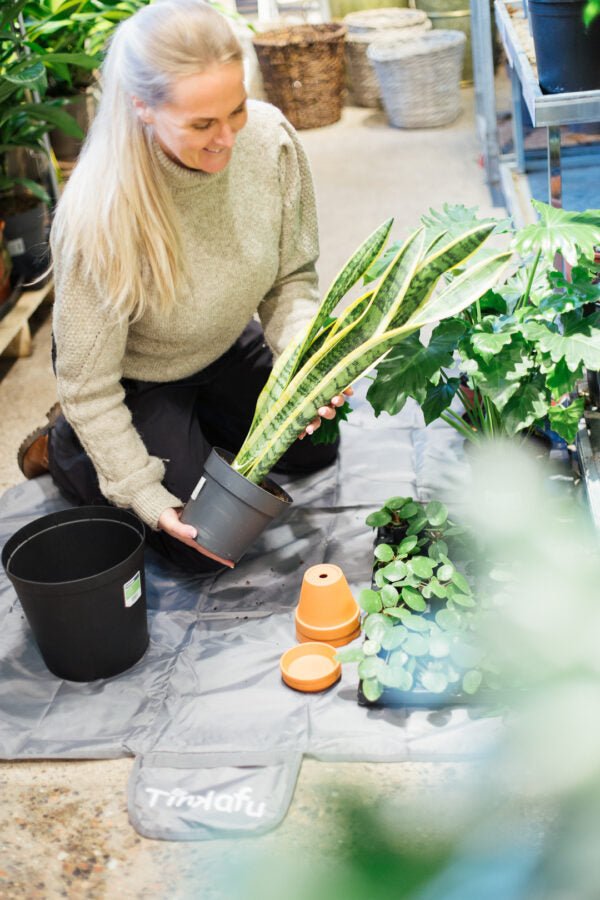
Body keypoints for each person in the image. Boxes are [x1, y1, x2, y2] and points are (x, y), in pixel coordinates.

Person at [18, 0, 349, 573]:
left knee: (316, 447)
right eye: (201, 125)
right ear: (142, 108)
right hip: (136, 377)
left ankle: (195, 427)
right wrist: (142, 491)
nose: (227, 138)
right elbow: (91, 388)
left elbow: (292, 277)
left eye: (236, 109)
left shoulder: (270, 138)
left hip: (220, 339)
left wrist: (300, 359)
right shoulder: (99, 211)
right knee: (203, 544)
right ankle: (67, 447)